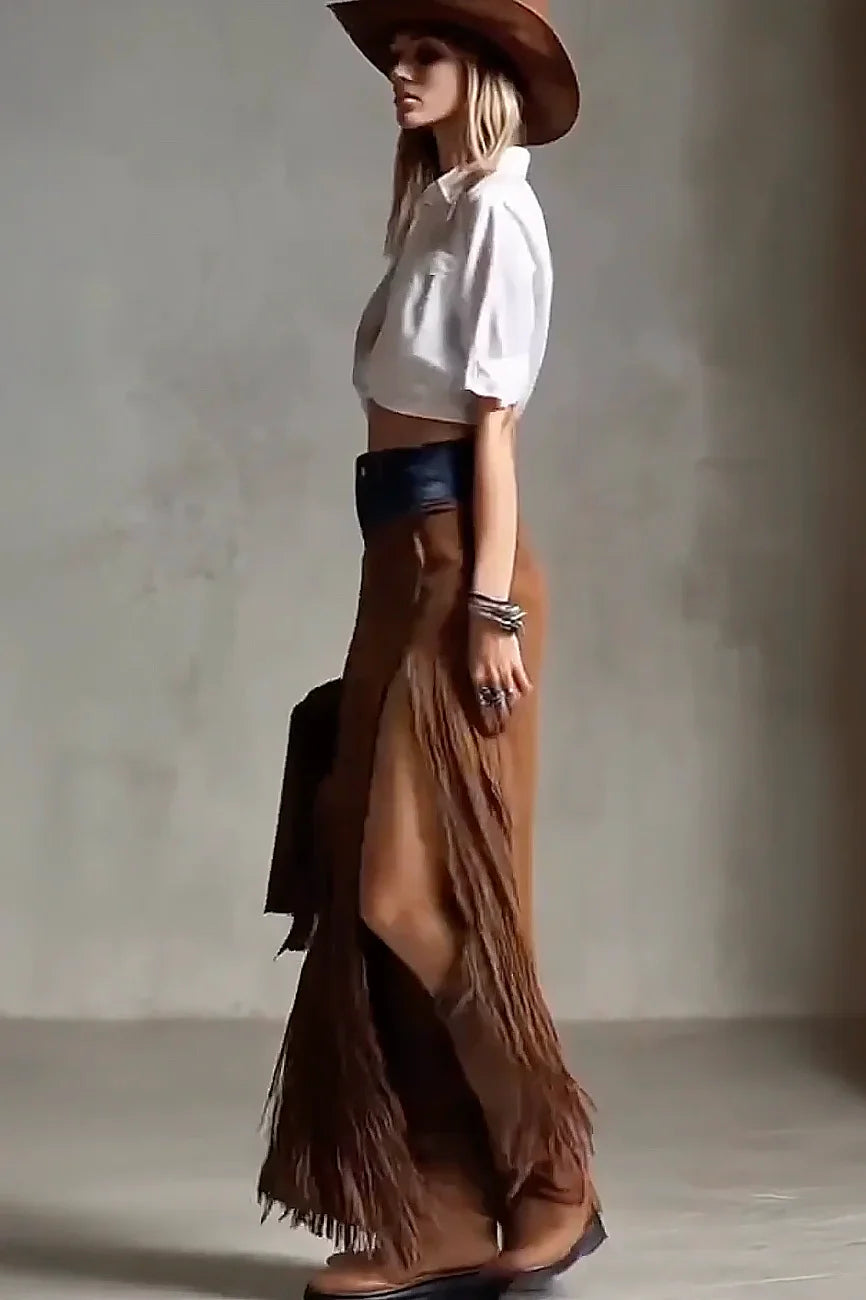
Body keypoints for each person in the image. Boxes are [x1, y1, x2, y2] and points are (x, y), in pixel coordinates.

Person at [258, 3, 605, 1297]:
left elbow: (492, 429)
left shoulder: (503, 215)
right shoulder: (443, 208)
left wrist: (491, 612)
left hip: (463, 563)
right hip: (396, 561)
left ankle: (551, 1159)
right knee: (368, 881)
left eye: (426, 56)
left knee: (419, 891)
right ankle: (448, 1208)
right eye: (394, 56)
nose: (399, 75)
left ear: (486, 74)